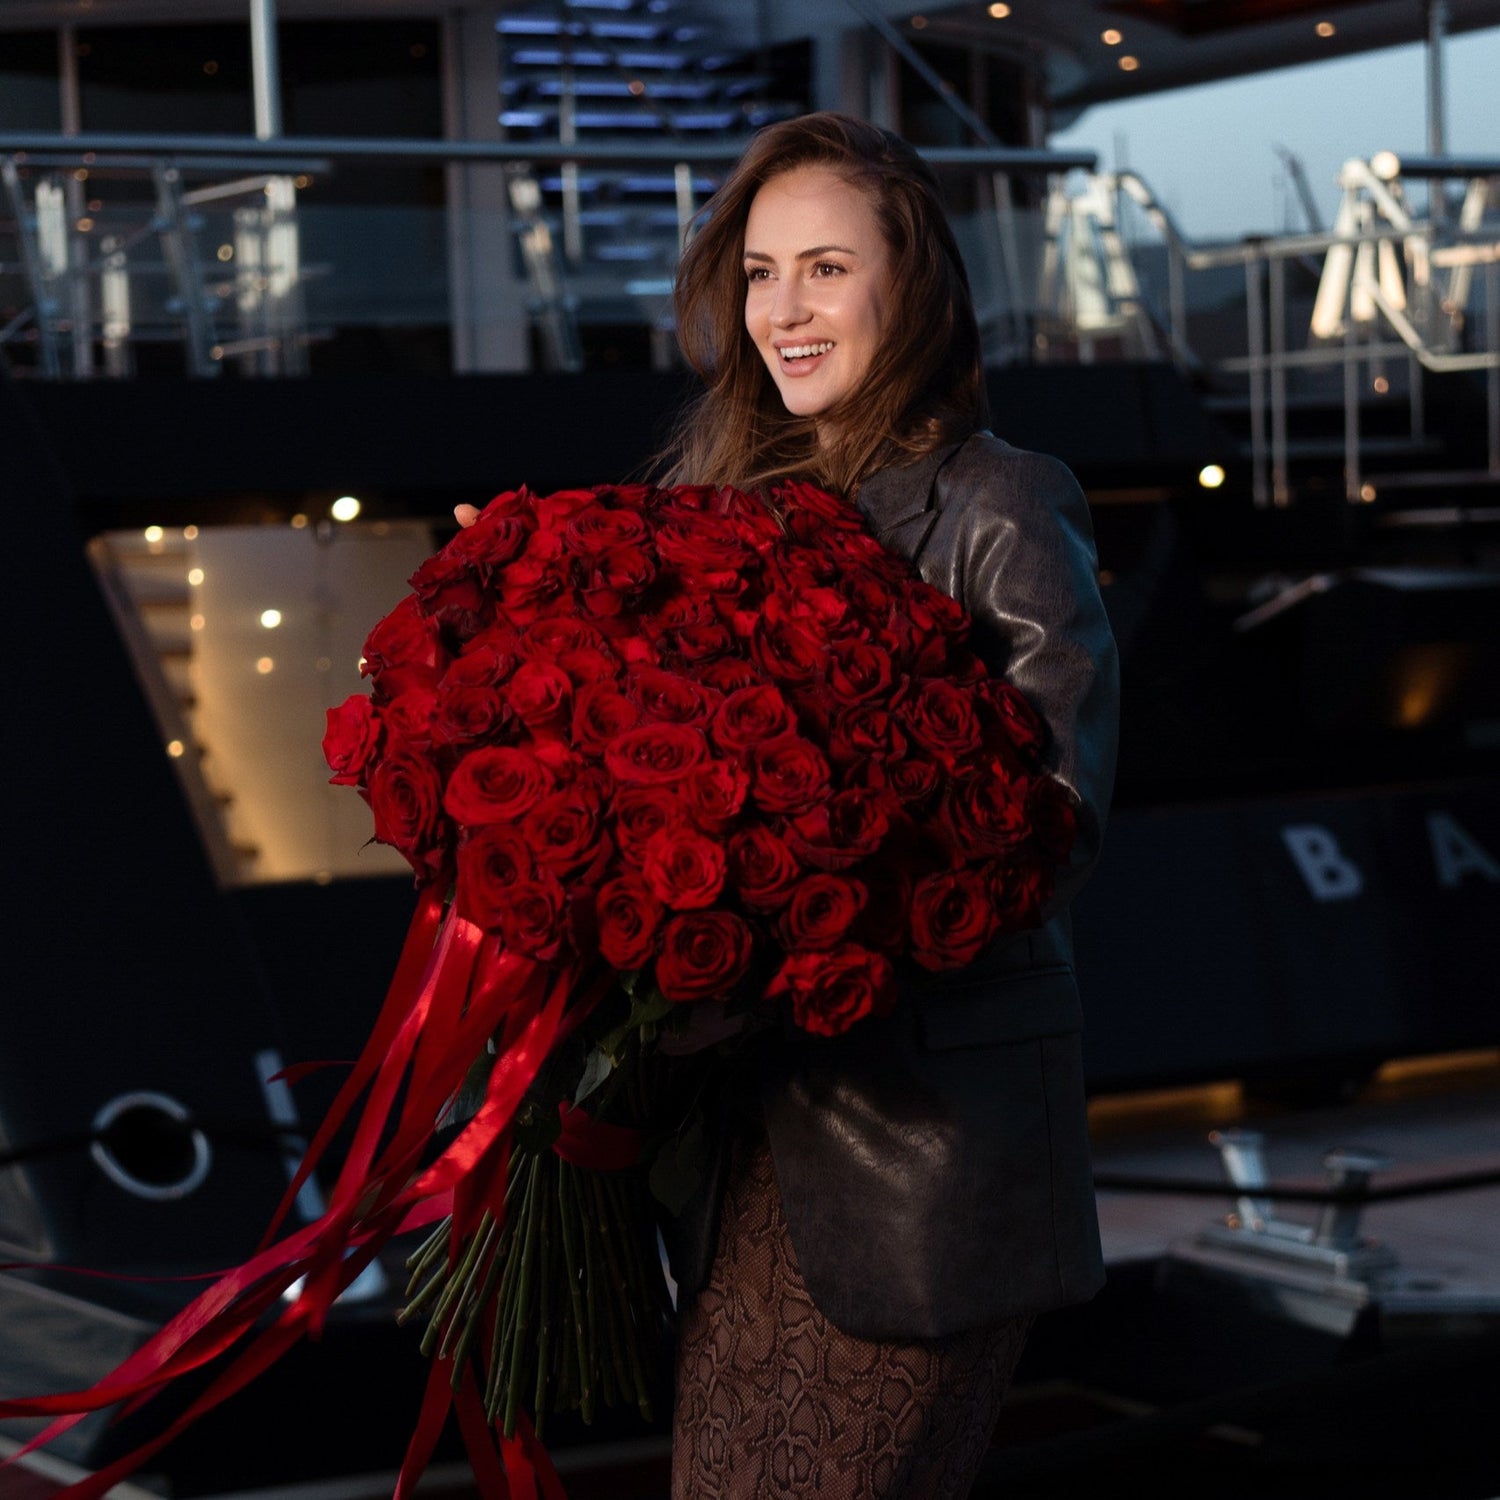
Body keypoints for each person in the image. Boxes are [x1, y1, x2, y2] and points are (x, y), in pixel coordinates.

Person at [458, 112, 1120, 1500]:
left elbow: (1053, 822)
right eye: (760, 273)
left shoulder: (1001, 500)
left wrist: (799, 926)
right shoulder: (719, 506)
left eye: (825, 266)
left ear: (913, 284)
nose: (783, 309)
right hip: (746, 1169)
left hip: (923, 1154)